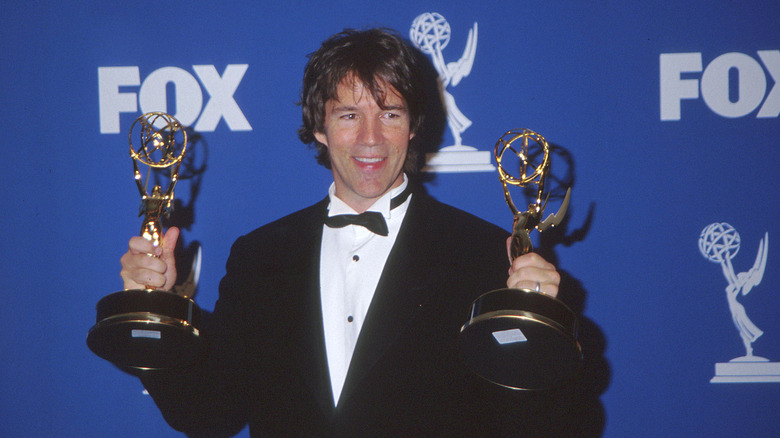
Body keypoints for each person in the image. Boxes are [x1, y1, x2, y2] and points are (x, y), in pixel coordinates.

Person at [120, 28, 567, 437]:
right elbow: (208, 415)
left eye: (390, 114)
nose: (370, 138)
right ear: (320, 127)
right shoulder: (259, 257)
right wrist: (156, 308)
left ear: (413, 127)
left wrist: (541, 333)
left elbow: (539, 422)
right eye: (349, 115)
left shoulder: (481, 252)